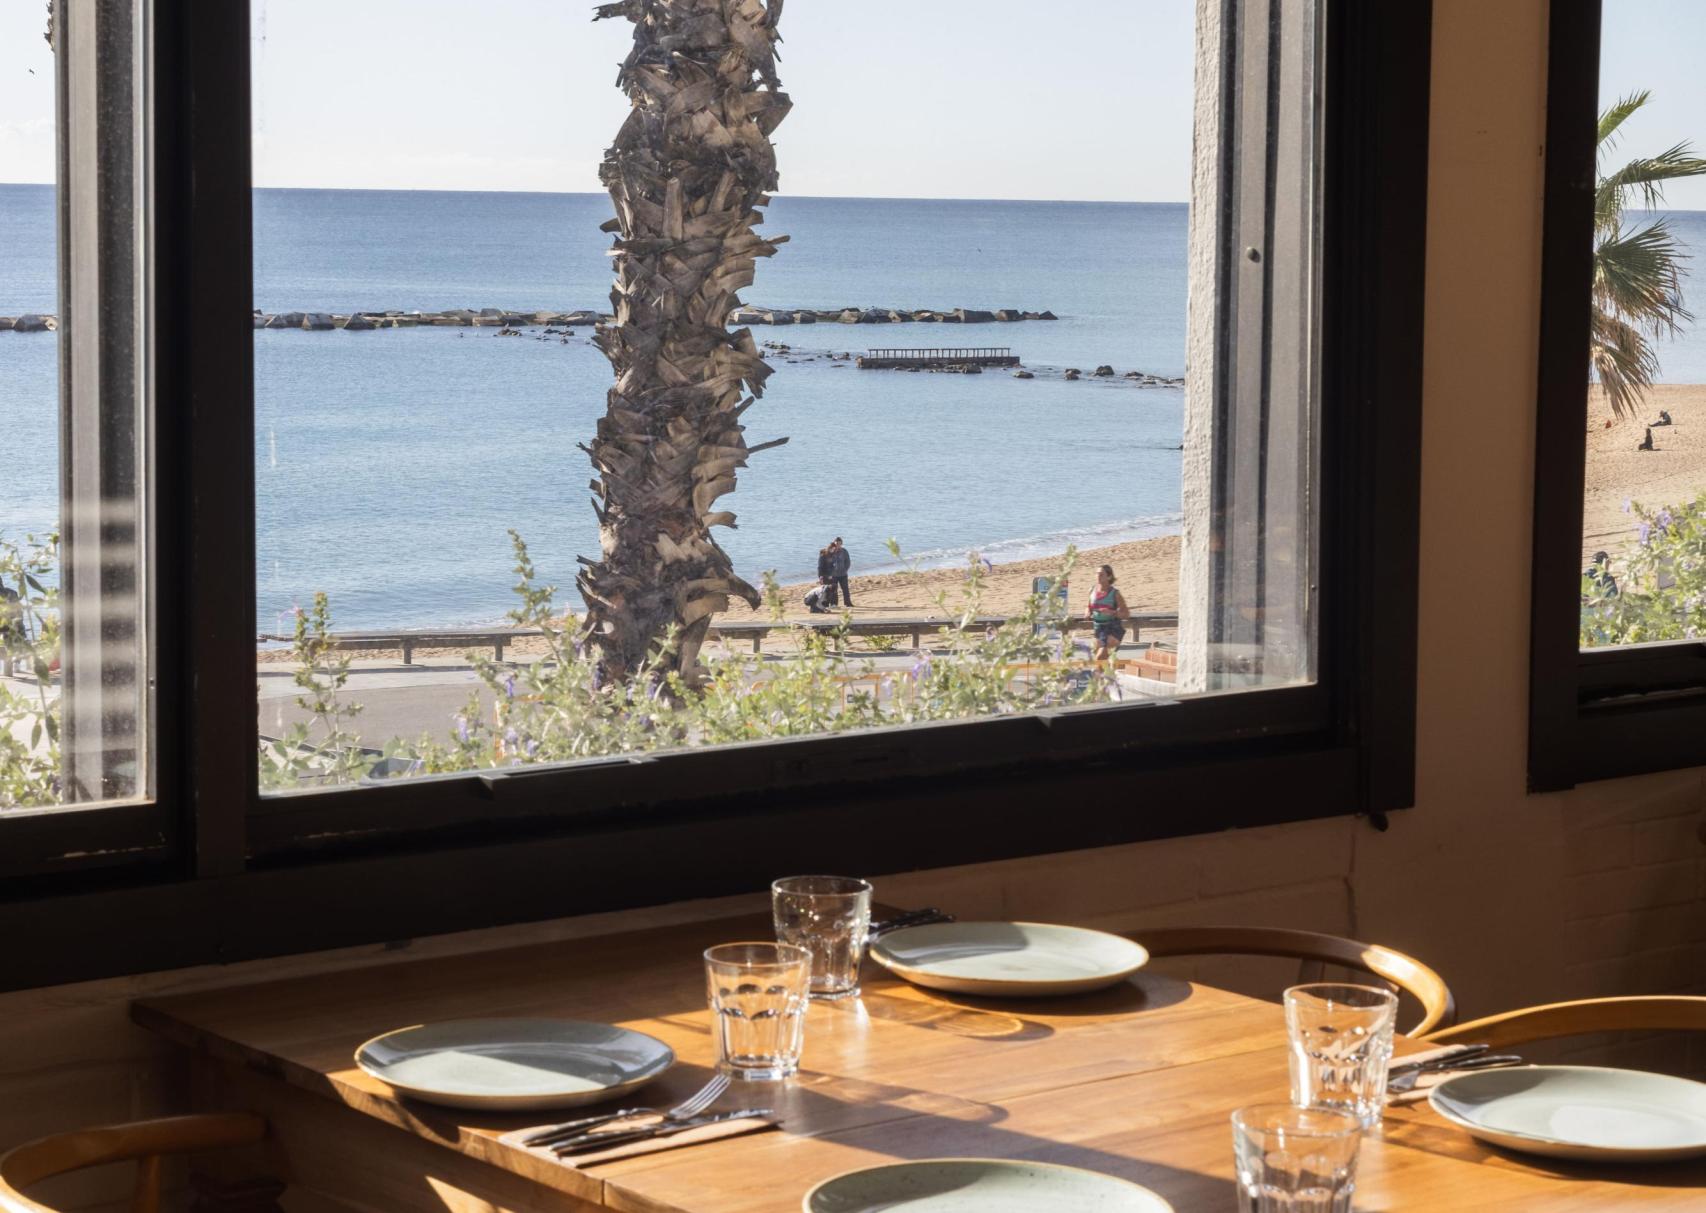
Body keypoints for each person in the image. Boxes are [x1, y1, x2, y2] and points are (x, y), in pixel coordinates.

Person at [1085, 564, 1129, 663]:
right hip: (1098, 629)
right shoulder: (1092, 590)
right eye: (1096, 574)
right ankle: (1121, 671)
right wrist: (1087, 612)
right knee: (1101, 659)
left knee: (1100, 658)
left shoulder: (1115, 594)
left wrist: (1112, 612)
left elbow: (1126, 613)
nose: (1098, 576)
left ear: (1109, 577)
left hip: (1113, 628)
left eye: (1101, 574)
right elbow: (1089, 606)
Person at [828, 537, 853, 608]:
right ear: (834, 544)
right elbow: (828, 563)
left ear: (841, 544)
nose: (838, 545)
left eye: (839, 544)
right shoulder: (831, 552)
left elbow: (848, 562)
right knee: (834, 590)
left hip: (843, 574)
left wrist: (845, 569)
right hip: (834, 575)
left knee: (845, 589)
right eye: (836, 544)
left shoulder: (844, 551)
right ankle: (834, 604)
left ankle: (848, 603)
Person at [812, 544, 837, 610]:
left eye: (834, 549)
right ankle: (824, 605)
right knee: (825, 591)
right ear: (829, 548)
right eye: (832, 549)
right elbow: (820, 568)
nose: (833, 550)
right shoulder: (823, 556)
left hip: (831, 576)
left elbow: (832, 566)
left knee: (833, 589)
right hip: (824, 576)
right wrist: (821, 577)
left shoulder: (832, 555)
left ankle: (833, 604)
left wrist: (832, 574)